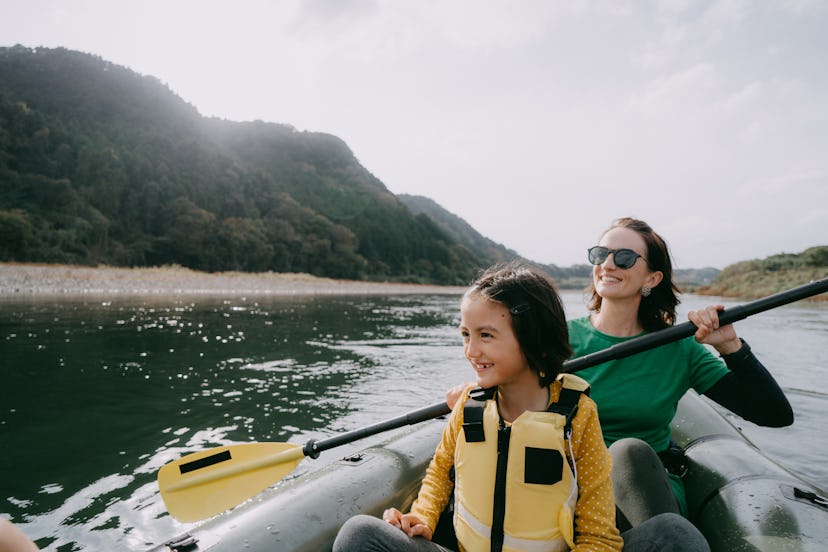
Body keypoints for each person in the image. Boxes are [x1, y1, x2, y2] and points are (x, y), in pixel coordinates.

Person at [446, 217, 793, 535]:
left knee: (630, 453)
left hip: (641, 490)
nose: (608, 264)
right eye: (600, 255)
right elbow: (508, 392)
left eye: (625, 258)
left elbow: (773, 414)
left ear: (652, 278)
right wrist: (476, 394)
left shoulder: (679, 348)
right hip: (561, 479)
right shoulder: (558, 339)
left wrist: (731, 345)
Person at [333, 262, 624, 551]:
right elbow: (439, 476)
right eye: (465, 334)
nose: (471, 351)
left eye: (486, 335)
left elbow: (598, 537)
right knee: (359, 534)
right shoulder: (468, 405)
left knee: (668, 531)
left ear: (537, 339)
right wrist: (422, 517)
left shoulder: (579, 415)